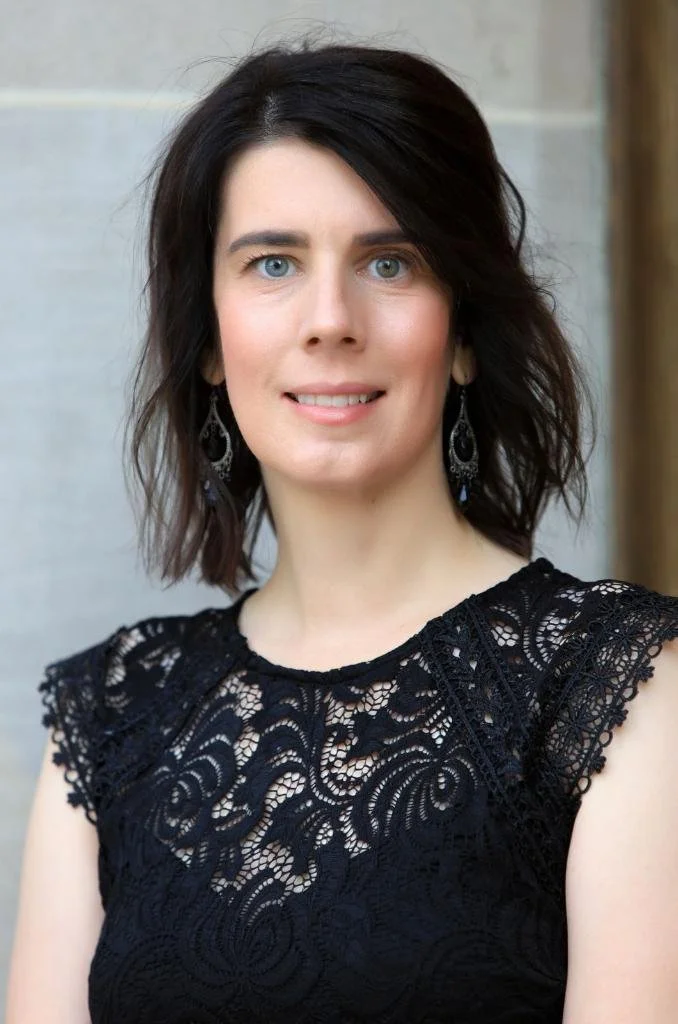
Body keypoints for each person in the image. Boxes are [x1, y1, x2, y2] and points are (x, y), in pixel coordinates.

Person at [7, 35, 678, 1024]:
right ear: (208, 340)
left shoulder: (619, 687)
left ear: (461, 337)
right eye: (273, 262)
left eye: (390, 261)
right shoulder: (110, 718)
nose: (329, 317)